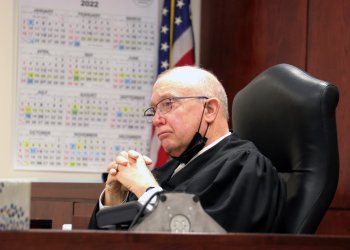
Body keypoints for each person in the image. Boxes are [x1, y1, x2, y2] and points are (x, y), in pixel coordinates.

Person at [88, 66, 286, 232]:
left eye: (168, 104)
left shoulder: (246, 166)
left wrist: (146, 188)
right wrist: (112, 200)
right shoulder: (168, 170)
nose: (156, 120)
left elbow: (204, 241)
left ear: (209, 110)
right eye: (154, 110)